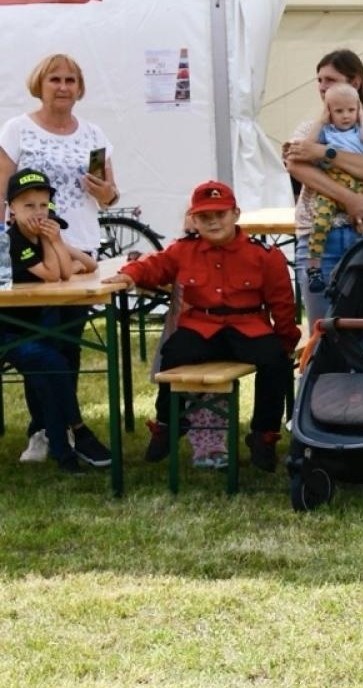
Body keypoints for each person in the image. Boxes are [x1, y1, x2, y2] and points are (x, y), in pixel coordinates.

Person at [108, 181, 301, 470]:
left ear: (236, 214)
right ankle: (168, 424)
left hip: (247, 326)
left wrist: (286, 340)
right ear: (194, 220)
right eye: (204, 217)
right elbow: (154, 265)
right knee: (173, 353)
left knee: (275, 360)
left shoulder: (264, 255)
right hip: (202, 326)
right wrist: (129, 275)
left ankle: (263, 435)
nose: (213, 222)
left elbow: (282, 302)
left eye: (220, 215)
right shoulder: (184, 250)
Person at [0, 53, 120, 468]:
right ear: (40, 84)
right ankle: (46, 429)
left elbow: (111, 195)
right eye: (55, 79)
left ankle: (60, 427)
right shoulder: (18, 129)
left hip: (77, 250)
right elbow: (1, 189)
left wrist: (104, 191)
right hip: (30, 254)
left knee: (68, 341)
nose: (63, 86)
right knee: (39, 340)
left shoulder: (93, 134)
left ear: (80, 87)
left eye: (71, 80)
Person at [282, 49, 363, 324]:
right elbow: (296, 166)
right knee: (322, 328)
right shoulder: (309, 130)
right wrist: (350, 199)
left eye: (330, 80)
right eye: (319, 80)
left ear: (355, 83)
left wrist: (323, 153)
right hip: (318, 238)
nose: (322, 87)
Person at [5, 168, 98, 474]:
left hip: (31, 328)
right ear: (11, 209)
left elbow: (81, 266)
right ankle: (75, 435)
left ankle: (64, 445)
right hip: (10, 331)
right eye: (29, 205)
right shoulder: (14, 241)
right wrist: (52, 242)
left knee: (53, 362)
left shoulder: (40, 236)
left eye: (44, 205)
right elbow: (54, 274)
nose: (38, 212)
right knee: (53, 363)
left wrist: (56, 240)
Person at [304, 84, 363, 294]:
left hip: (356, 183)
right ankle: (314, 267)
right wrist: (321, 120)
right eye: (338, 111)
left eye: (351, 110)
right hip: (332, 183)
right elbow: (308, 146)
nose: (346, 116)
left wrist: (361, 114)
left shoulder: (360, 132)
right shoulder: (326, 132)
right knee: (320, 222)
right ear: (328, 111)